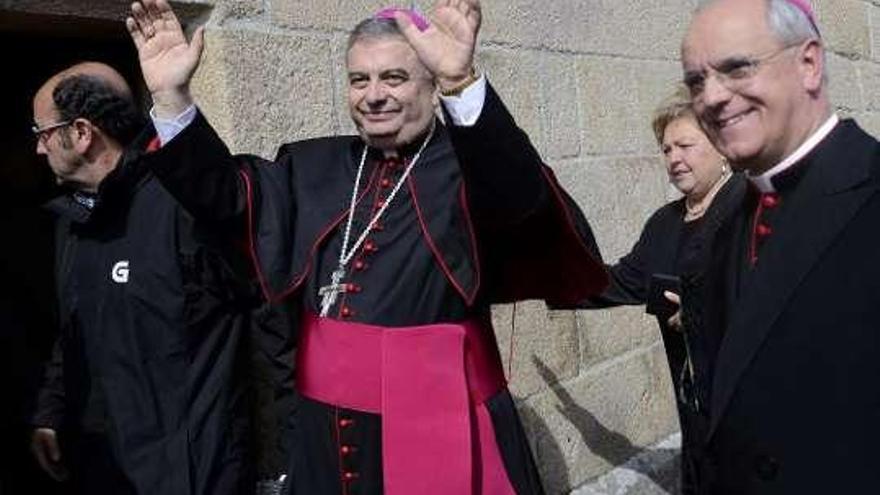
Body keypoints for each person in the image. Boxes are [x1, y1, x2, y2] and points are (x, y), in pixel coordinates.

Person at [125, 0, 608, 493]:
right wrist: (172, 99)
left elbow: (520, 201)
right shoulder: (313, 166)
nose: (374, 95)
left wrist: (462, 82)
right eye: (360, 80)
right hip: (324, 433)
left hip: (441, 420)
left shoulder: (470, 166)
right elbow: (230, 199)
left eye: (394, 78)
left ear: (430, 84)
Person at [678, 0, 880, 493]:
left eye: (736, 68)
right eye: (696, 81)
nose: (712, 98)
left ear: (808, 63)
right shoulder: (724, 219)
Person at [28, 62, 257, 495]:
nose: (39, 149)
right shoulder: (70, 221)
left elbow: (259, 312)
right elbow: (74, 329)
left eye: (42, 132)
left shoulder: (179, 201)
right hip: (105, 467)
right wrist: (50, 413)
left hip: (189, 471)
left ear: (81, 132)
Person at [573, 87, 743, 494]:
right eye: (666, 150)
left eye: (685, 145)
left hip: (756, 410)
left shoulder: (750, 208)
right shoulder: (665, 224)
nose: (674, 159)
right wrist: (548, 279)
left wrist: (706, 310)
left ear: (722, 148)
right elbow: (621, 283)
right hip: (697, 415)